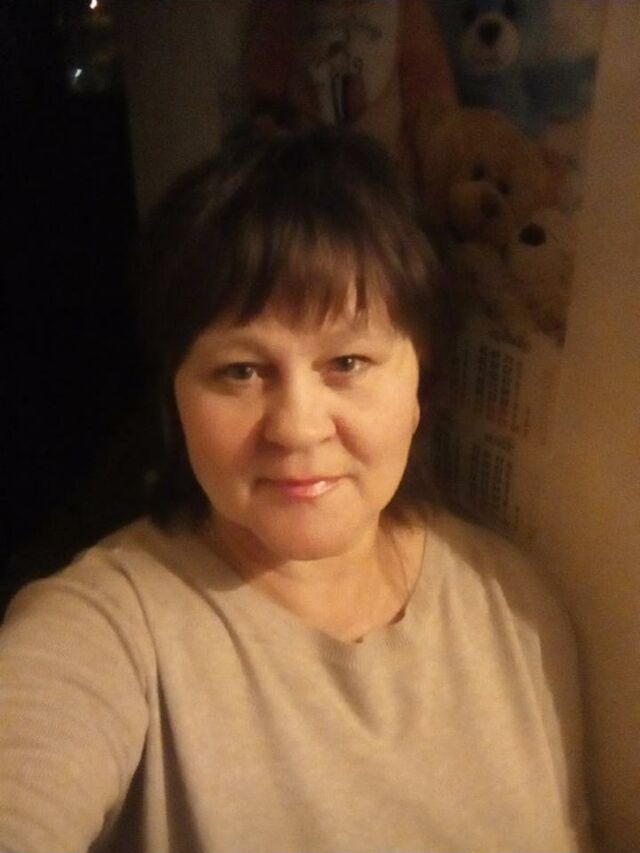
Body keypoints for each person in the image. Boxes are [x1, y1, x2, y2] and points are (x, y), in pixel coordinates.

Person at [0, 127, 591, 852]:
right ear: (174, 398)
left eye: (348, 362)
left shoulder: (516, 608)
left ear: (421, 382)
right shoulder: (106, 630)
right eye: (240, 371)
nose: (297, 428)